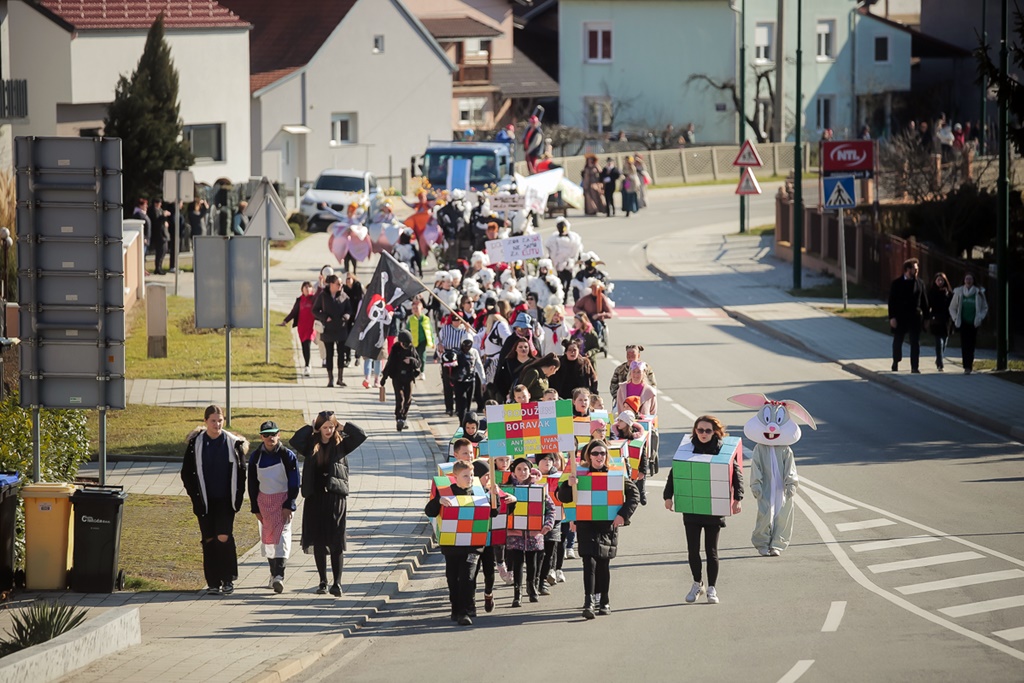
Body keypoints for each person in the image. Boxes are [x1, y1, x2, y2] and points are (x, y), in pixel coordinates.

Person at [664, 416, 743, 605]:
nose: (704, 434)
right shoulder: (687, 449)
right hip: (691, 509)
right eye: (700, 430)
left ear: (715, 432)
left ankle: (712, 588)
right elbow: (674, 474)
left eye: (708, 431)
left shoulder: (723, 451)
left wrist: (738, 499)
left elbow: (736, 476)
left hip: (713, 509)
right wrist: (668, 496)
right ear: (695, 431)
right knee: (692, 550)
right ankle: (697, 583)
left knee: (711, 551)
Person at [558, 440, 639, 619]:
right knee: (589, 562)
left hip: (607, 524)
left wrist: (623, 515)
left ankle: (604, 600)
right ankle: (588, 602)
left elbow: (634, 495)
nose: (599, 456)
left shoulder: (616, 473)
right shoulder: (577, 473)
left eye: (602, 453)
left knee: (603, 563)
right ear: (588, 456)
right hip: (586, 523)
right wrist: (568, 485)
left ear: (607, 455)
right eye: (595, 453)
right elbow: (563, 498)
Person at [292, 411, 367, 596]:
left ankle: (337, 583)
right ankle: (323, 582)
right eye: (324, 427)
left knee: (336, 541)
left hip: (335, 498)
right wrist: (311, 428)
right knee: (318, 541)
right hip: (315, 497)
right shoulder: (311, 444)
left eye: (331, 427)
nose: (328, 430)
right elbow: (294, 441)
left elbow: (361, 435)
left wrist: (342, 426)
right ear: (319, 428)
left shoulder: (342, 444)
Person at [180, 405, 247, 595]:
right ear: (205, 422)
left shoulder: (233, 443)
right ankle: (213, 582)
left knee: (223, 537)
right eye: (213, 421)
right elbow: (186, 473)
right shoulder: (197, 444)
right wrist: (194, 495)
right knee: (209, 540)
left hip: (226, 501)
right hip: (205, 501)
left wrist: (238, 497)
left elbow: (242, 473)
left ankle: (228, 579)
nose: (217, 424)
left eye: (220, 420)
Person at [426, 460, 493, 626]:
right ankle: (455, 607)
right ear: (455, 477)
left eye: (471, 475)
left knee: (467, 577)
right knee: (452, 578)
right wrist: (438, 501)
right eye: (465, 475)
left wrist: (496, 500)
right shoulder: (446, 492)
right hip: (452, 546)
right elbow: (429, 512)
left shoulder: (479, 492)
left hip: (473, 546)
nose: (470, 478)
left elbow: (494, 512)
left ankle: (464, 612)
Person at [247, 420, 300, 593]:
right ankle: (273, 573)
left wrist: (290, 504)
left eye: (274, 434)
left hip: (283, 500)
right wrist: (255, 507)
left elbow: (294, 481)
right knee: (268, 540)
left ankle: (280, 576)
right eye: (266, 435)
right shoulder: (256, 457)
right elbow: (252, 483)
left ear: (279, 435)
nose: (271, 438)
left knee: (283, 538)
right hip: (264, 503)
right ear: (261, 437)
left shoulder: (287, 455)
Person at [504, 457, 555, 606]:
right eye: (518, 469)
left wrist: (548, 524)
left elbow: (551, 508)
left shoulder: (539, 489)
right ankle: (517, 593)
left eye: (525, 469)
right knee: (517, 563)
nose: (522, 472)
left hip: (534, 533)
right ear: (513, 472)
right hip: (514, 534)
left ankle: (532, 587)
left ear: (530, 470)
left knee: (533, 563)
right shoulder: (507, 489)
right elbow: (500, 510)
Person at [887, 257, 930, 373]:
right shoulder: (896, 283)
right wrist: (892, 317)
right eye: (914, 269)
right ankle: (896, 361)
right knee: (898, 341)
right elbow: (892, 302)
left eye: (917, 269)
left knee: (915, 342)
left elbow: (924, 301)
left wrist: (926, 317)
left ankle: (915, 367)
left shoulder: (919, 283)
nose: (917, 271)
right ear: (907, 269)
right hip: (900, 317)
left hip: (914, 317)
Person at [312, 274, 352, 387]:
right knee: (329, 355)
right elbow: (315, 310)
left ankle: (340, 378)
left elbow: (349, 310)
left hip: (341, 329)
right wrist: (324, 317)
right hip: (328, 330)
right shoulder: (323, 296)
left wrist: (346, 316)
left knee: (341, 355)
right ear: (331, 284)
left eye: (341, 284)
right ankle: (330, 379)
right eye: (338, 284)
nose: (340, 285)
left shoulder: (344, 296)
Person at [381, 329, 421, 431]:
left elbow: (418, 363)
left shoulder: (412, 349)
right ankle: (399, 417)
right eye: (404, 344)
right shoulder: (395, 349)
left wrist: (411, 361)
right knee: (400, 397)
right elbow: (389, 363)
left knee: (408, 398)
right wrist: (384, 378)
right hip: (397, 377)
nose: (406, 346)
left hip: (409, 377)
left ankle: (404, 417)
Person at [949, 272, 989, 375]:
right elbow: (952, 307)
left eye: (970, 279)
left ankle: (969, 365)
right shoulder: (959, 292)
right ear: (964, 280)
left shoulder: (979, 292)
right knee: (964, 344)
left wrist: (980, 317)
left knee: (971, 344)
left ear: (973, 281)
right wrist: (955, 318)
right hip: (963, 322)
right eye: (967, 279)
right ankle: (966, 366)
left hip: (974, 322)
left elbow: (985, 307)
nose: (968, 281)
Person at [281, 282, 317, 377]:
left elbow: (321, 295)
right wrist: (285, 321)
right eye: (305, 287)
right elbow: (293, 312)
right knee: (304, 346)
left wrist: (321, 283)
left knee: (308, 344)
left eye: (309, 286)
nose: (307, 288)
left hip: (311, 327)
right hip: (302, 327)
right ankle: (306, 363)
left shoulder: (314, 299)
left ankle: (307, 366)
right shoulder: (299, 300)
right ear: (302, 289)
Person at [609, 344, 657, 409]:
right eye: (628, 355)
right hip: (623, 403)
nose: (630, 357)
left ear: (638, 355)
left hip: (642, 402)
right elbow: (613, 386)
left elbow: (653, 386)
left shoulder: (646, 369)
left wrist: (645, 399)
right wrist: (620, 398)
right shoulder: (620, 369)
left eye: (633, 355)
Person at [927, 272, 954, 372]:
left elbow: (953, 305)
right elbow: (928, 305)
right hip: (936, 318)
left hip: (946, 319)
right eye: (938, 280)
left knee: (945, 340)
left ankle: (939, 358)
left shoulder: (949, 293)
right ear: (935, 281)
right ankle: (940, 363)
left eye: (941, 280)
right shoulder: (932, 292)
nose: (940, 282)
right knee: (939, 341)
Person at [493, 338, 533, 402]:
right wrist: (506, 393)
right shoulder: (508, 363)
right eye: (520, 347)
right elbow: (501, 380)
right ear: (516, 349)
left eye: (526, 347)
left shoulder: (534, 362)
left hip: (531, 397)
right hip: (513, 397)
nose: (523, 349)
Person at [406, 297, 434, 375]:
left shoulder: (425, 319)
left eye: (417, 308)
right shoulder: (411, 319)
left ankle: (422, 371)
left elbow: (430, 330)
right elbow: (407, 330)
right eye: (413, 308)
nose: (415, 309)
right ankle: (414, 369)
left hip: (423, 340)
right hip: (414, 341)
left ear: (421, 308)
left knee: (422, 356)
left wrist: (433, 341)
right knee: (414, 356)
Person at [148, 198, 170, 275]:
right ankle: (158, 268)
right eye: (158, 203)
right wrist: (163, 216)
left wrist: (165, 220)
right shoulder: (153, 211)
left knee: (164, 250)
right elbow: (156, 221)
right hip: (159, 235)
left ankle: (159, 267)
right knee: (160, 251)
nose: (160, 204)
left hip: (163, 233)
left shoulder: (160, 210)